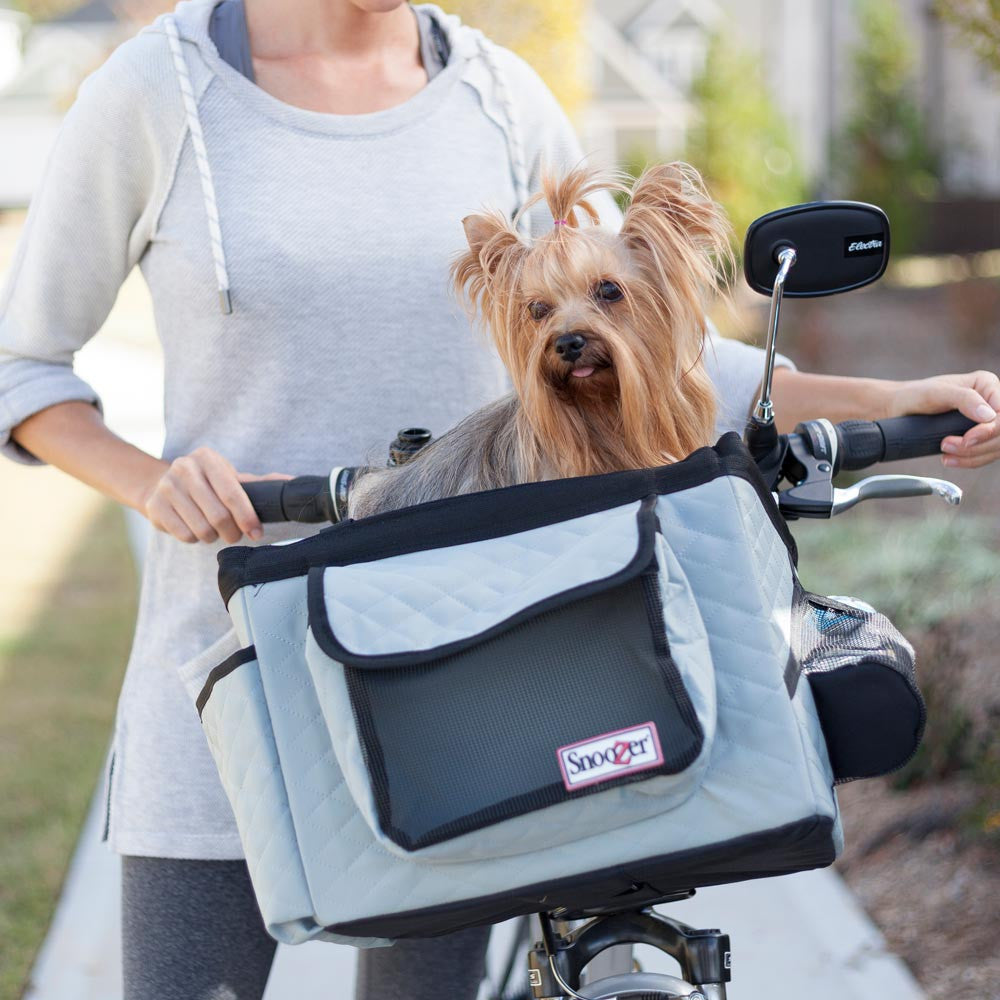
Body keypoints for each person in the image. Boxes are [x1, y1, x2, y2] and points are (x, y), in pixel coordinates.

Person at [0, 2, 997, 998]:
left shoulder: (500, 96)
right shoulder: (155, 93)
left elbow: (654, 333)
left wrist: (890, 397)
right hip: (234, 668)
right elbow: (22, 367)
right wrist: (154, 481)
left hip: (467, 682)